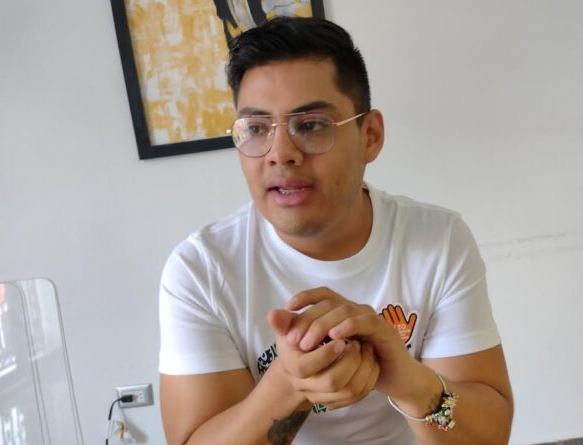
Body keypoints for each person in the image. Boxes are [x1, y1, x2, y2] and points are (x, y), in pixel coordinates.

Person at [158, 16, 513, 445]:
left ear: (371, 136)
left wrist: (408, 379)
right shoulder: (202, 269)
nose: (280, 154)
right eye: (256, 129)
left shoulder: (437, 241)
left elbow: (488, 436)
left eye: (311, 125)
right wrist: (289, 385)